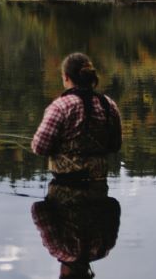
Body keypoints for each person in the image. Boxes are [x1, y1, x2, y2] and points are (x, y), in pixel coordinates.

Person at [31, 51, 122, 188]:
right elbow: (115, 146)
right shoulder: (109, 105)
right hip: (98, 184)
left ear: (66, 77)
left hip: (64, 187)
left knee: (37, 209)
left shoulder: (60, 106)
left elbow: (40, 148)